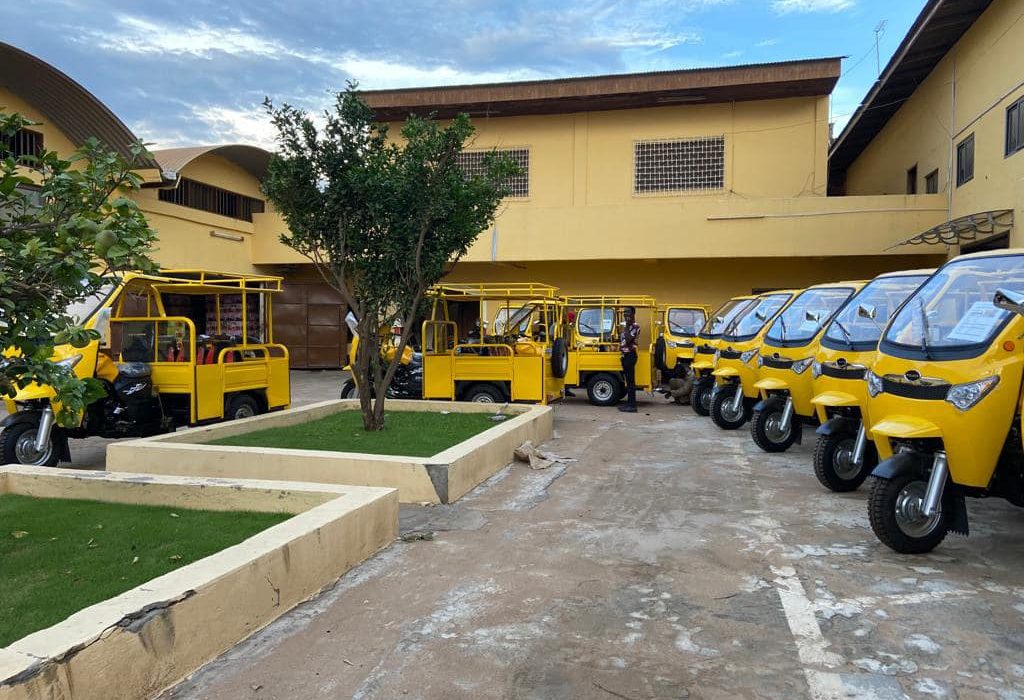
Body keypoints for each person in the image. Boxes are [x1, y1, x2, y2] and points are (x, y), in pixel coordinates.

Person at [618, 306, 640, 412]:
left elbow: (628, 339)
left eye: (628, 313)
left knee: (631, 382)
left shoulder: (635, 327)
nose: (625, 314)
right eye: (624, 313)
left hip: (631, 356)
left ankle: (632, 406)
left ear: (633, 314)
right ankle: (629, 404)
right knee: (628, 382)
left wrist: (627, 325)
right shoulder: (626, 327)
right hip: (625, 356)